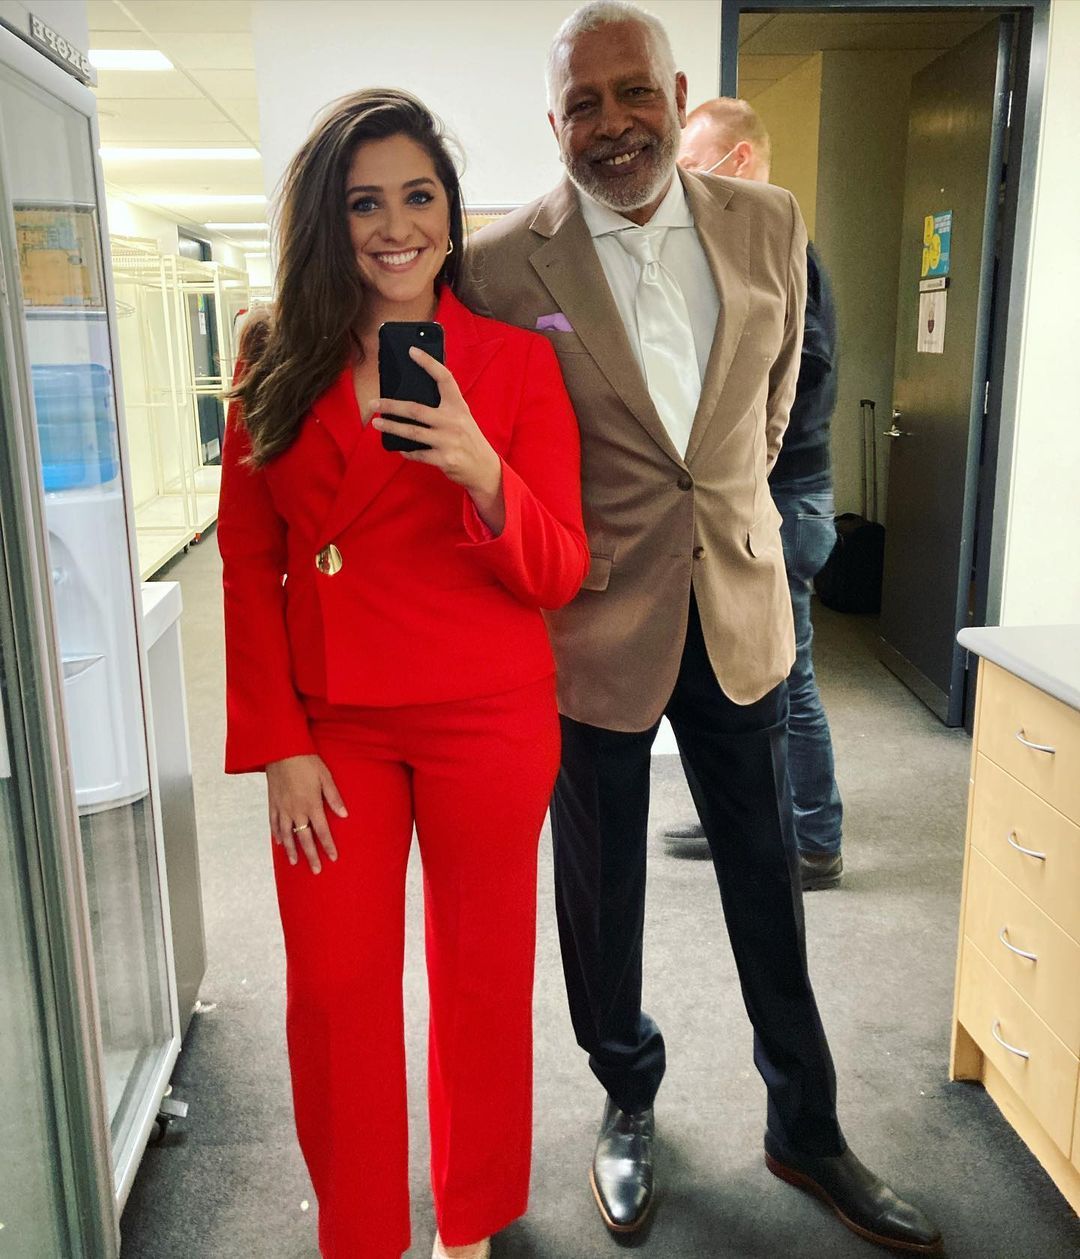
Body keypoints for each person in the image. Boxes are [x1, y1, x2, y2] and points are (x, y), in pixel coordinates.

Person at [462, 3, 941, 1254]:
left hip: (736, 603)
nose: (611, 123)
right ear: (554, 122)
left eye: (634, 93)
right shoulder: (502, 265)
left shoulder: (768, 222)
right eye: (582, 104)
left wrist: (729, 508)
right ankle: (626, 1094)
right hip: (591, 626)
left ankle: (806, 1123)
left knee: (768, 877)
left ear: (676, 97)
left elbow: (776, 401)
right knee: (601, 892)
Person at [218, 88, 589, 1259]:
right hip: (330, 728)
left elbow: (559, 570)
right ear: (328, 221)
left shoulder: (515, 365)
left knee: (481, 980)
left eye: (418, 196)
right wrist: (277, 741)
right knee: (335, 992)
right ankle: (361, 1231)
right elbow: (246, 561)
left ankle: (469, 1221)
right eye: (364, 201)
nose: (396, 226)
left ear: (449, 210)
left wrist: (482, 468)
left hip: (488, 716)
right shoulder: (273, 356)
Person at [670, 97, 845, 891]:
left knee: (783, 676)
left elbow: (793, 382)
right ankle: (738, 817)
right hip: (770, 498)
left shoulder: (785, 248)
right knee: (732, 676)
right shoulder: (745, 250)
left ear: (738, 160)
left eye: (691, 163)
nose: (682, 181)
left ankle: (815, 840)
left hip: (785, 499)